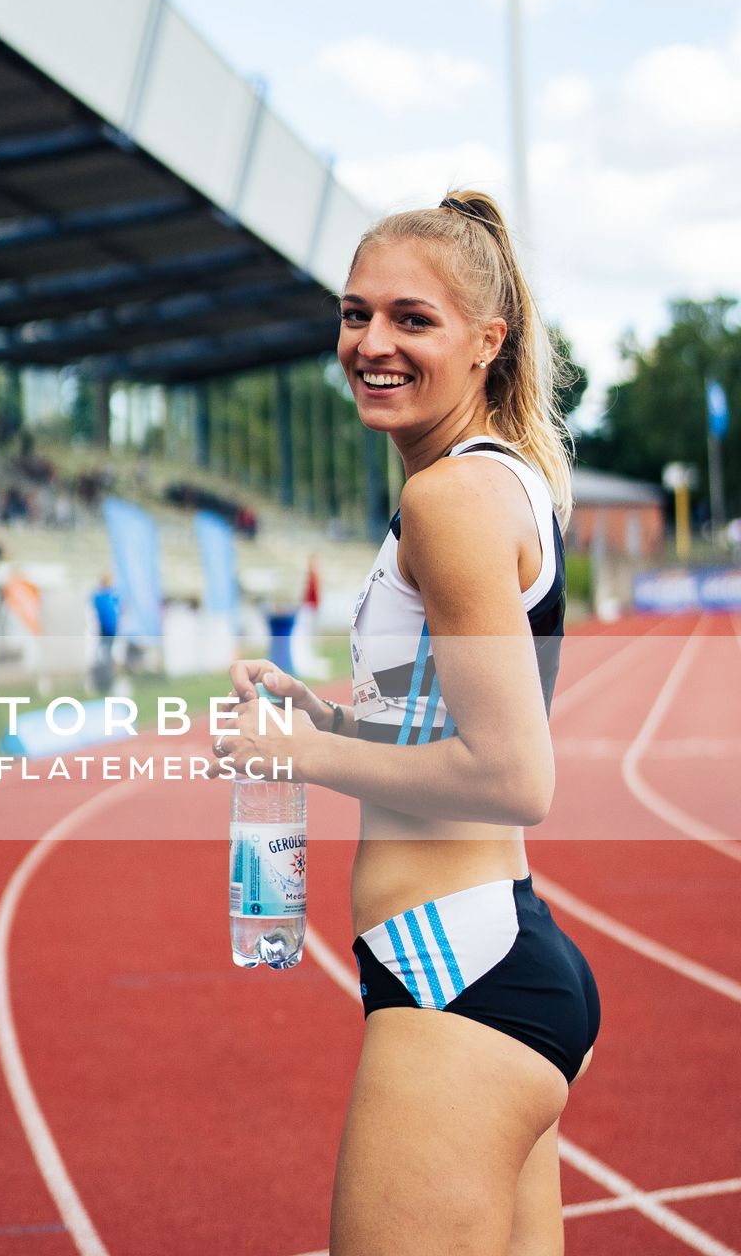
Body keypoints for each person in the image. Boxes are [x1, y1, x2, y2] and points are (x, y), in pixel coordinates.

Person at [211, 191, 600, 1256]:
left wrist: (301, 751)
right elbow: (443, 720)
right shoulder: (492, 482)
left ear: (487, 340)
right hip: (491, 954)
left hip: (454, 975)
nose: (370, 344)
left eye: (409, 320)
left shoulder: (449, 501)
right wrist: (331, 716)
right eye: (353, 314)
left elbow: (516, 774)